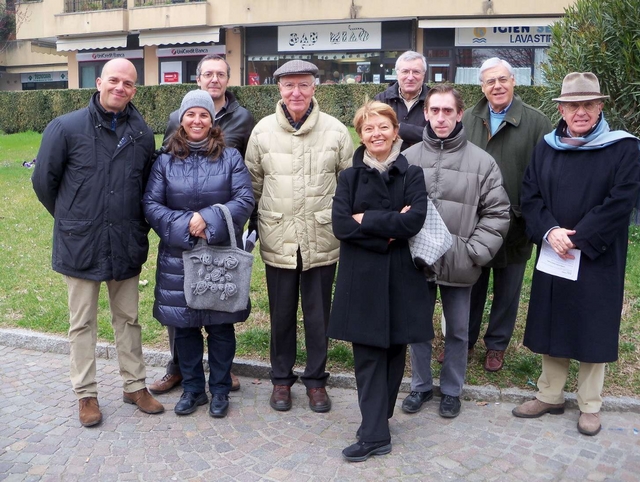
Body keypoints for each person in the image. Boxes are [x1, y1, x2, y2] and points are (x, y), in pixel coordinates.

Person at [31, 58, 164, 427]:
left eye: (129, 83)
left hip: (124, 241)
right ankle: (86, 394)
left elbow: (146, 187)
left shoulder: (140, 133)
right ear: (100, 81)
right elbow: (44, 182)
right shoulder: (66, 127)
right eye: (114, 80)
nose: (120, 88)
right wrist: (72, 220)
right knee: (82, 323)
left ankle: (135, 385)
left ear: (135, 90)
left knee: (129, 319)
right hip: (81, 243)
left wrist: (137, 228)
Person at [513, 72, 640, 436]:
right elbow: (530, 194)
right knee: (552, 318)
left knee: (592, 324)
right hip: (555, 251)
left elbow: (621, 200)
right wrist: (550, 231)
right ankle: (550, 394)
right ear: (562, 110)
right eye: (573, 105)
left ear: (600, 107)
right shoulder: (548, 145)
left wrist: (579, 237)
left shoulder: (624, 147)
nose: (580, 112)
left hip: (597, 253)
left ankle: (590, 404)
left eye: (588, 105)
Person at [244, 59, 353, 413]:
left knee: (318, 315)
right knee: (281, 315)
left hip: (321, 238)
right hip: (279, 237)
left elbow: (349, 186)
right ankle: (280, 380)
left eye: (303, 85)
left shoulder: (336, 131)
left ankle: (317, 381)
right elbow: (253, 185)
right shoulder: (261, 132)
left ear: (314, 88)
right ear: (278, 89)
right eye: (289, 85)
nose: (296, 92)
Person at [328, 100, 431, 462]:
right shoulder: (349, 177)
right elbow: (341, 225)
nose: (376, 134)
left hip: (403, 277)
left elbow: (414, 220)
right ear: (361, 135)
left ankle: (378, 419)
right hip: (363, 279)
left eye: (383, 127)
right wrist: (387, 227)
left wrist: (365, 220)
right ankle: (374, 434)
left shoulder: (412, 174)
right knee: (368, 356)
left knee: (394, 351)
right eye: (368, 129)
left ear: (395, 131)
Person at [143, 90, 255, 418]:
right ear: (181, 119)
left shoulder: (230, 157)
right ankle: (193, 389)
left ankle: (220, 389)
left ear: (211, 121)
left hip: (219, 257)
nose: (197, 120)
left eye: (203, 115)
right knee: (187, 328)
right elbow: (151, 204)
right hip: (178, 257)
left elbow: (244, 198)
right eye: (190, 114)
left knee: (220, 327)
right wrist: (184, 224)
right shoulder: (164, 160)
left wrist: (207, 220)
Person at [401, 84, 510, 418]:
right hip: (416, 262)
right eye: (434, 110)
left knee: (458, 331)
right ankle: (420, 386)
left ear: (460, 114)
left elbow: (497, 212)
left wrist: (473, 251)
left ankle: (451, 390)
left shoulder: (482, 162)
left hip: (460, 261)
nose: (441, 117)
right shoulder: (408, 158)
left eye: (448, 110)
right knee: (417, 327)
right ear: (426, 113)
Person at [463, 57, 553, 372]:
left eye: (503, 79)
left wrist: (535, 217)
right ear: (482, 87)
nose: (497, 86)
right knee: (469, 284)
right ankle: (463, 340)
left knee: (508, 288)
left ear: (513, 81)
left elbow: (545, 173)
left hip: (516, 221)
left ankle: (496, 345)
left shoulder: (536, 121)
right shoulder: (468, 118)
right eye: (490, 81)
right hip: (472, 221)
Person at [375, 50, 429, 151]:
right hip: (389, 163)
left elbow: (437, 134)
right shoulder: (381, 100)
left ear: (424, 75)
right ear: (397, 74)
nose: (410, 77)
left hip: (424, 163)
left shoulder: (434, 101)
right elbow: (375, 133)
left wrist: (401, 129)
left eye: (416, 72)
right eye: (405, 71)